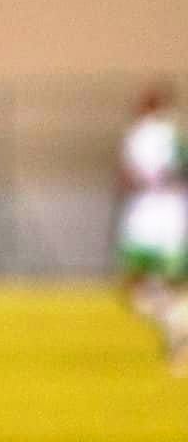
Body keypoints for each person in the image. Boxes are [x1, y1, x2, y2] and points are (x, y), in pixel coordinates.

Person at [116, 86, 188, 372]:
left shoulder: (148, 134)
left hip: (154, 215)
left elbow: (127, 175)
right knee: (155, 285)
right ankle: (177, 329)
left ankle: (179, 336)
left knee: (145, 284)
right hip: (164, 214)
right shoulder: (170, 133)